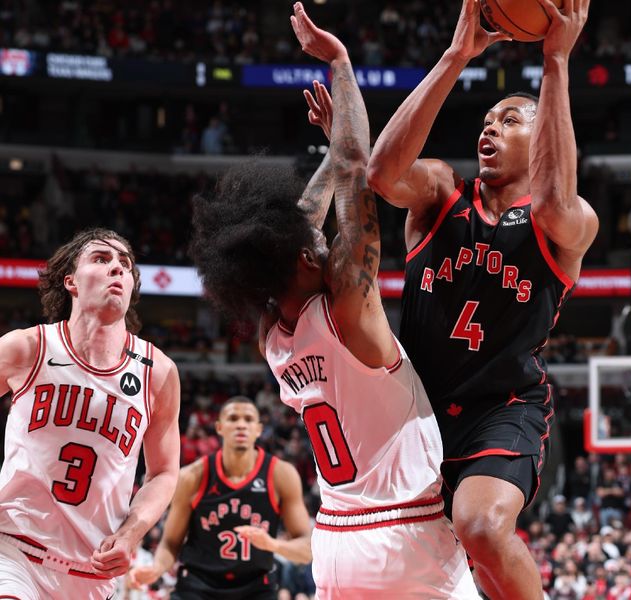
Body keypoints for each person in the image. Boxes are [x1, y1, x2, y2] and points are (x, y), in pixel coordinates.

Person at [189, 3, 478, 598]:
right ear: (302, 257)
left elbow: (297, 219)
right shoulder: (346, 306)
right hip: (407, 534)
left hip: (336, 540)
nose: (318, 236)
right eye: (312, 243)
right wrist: (341, 64)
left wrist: (331, 145)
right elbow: (359, 170)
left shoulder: (273, 332)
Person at [367, 0, 597, 597]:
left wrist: (555, 62)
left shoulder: (565, 223)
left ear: (541, 134)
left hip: (505, 404)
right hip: (415, 412)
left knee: (482, 526)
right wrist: (455, 56)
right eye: (487, 120)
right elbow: (382, 175)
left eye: (510, 120)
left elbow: (549, 201)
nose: (489, 127)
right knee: (426, 570)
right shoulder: (442, 190)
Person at [0, 228, 180, 600]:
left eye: (125, 264)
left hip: (92, 569)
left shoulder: (157, 372)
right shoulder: (28, 347)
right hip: (14, 550)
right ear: (71, 281)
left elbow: (163, 472)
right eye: (102, 258)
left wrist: (132, 533)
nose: (117, 268)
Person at [128, 396, 312, 598]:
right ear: (219, 427)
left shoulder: (281, 475)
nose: (241, 425)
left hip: (255, 587)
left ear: (259, 429)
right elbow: (171, 542)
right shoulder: (192, 477)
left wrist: (273, 545)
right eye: (233, 418)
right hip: (198, 585)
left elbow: (307, 549)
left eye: (248, 419)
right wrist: (157, 568)